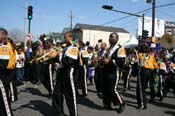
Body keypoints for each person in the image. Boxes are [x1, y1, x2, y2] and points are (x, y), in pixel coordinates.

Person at [52, 32, 79, 116]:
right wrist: (52, 57)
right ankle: (59, 112)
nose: (64, 39)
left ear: (71, 37)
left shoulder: (74, 48)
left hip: (69, 73)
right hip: (61, 72)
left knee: (70, 96)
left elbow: (68, 61)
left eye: (65, 37)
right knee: (57, 92)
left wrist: (57, 56)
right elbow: (61, 60)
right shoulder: (66, 48)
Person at [102, 32, 125, 113]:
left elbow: (121, 62)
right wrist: (101, 60)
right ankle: (107, 105)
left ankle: (121, 103)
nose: (110, 38)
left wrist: (110, 61)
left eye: (112, 37)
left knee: (113, 90)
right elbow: (104, 58)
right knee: (105, 89)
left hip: (114, 72)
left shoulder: (120, 49)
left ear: (117, 39)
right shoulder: (108, 48)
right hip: (106, 71)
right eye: (109, 37)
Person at [137, 43, 158, 110]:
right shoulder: (151, 56)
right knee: (143, 88)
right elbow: (156, 66)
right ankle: (144, 101)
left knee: (140, 89)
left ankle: (142, 104)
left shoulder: (140, 55)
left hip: (143, 71)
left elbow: (141, 64)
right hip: (150, 72)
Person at [0, 28, 15, 116]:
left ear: (3, 35)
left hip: (3, 77)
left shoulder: (4, 47)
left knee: (4, 103)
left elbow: (3, 64)